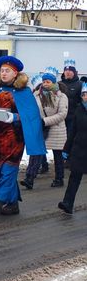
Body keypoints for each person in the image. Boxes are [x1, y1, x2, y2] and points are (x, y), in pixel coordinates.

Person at [0, 56, 46, 221]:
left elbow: (31, 117)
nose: (3, 73)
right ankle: (13, 205)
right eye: (2, 70)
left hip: (15, 139)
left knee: (8, 170)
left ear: (15, 73)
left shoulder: (24, 92)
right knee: (0, 170)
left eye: (7, 71)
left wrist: (15, 117)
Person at [21, 67, 68, 189]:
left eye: (48, 81)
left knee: (57, 155)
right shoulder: (36, 95)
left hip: (56, 129)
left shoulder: (61, 96)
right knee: (36, 153)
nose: (45, 84)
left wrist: (45, 121)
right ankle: (29, 178)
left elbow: (62, 114)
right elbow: (32, 110)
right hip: (40, 128)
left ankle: (59, 178)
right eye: (44, 81)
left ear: (54, 82)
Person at [58, 82, 87, 214]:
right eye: (83, 94)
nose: (85, 97)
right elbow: (73, 131)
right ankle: (67, 203)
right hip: (79, 149)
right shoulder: (79, 109)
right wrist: (66, 149)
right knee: (74, 177)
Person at [61, 59, 82, 137]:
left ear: (74, 72)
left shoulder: (80, 84)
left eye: (70, 70)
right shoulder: (59, 84)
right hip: (61, 118)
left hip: (73, 117)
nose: (68, 72)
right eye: (66, 70)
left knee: (71, 138)